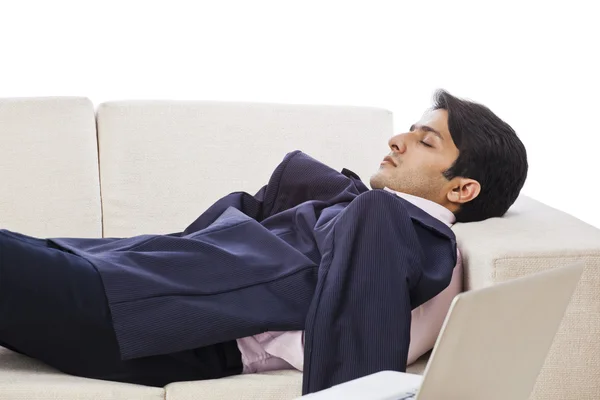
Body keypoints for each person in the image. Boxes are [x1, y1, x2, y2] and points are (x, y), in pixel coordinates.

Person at [0, 90, 527, 390]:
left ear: (462, 187)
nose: (397, 139)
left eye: (424, 140)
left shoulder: (401, 227)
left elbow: (356, 351)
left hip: (136, 313)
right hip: (127, 285)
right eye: (409, 129)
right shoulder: (377, 217)